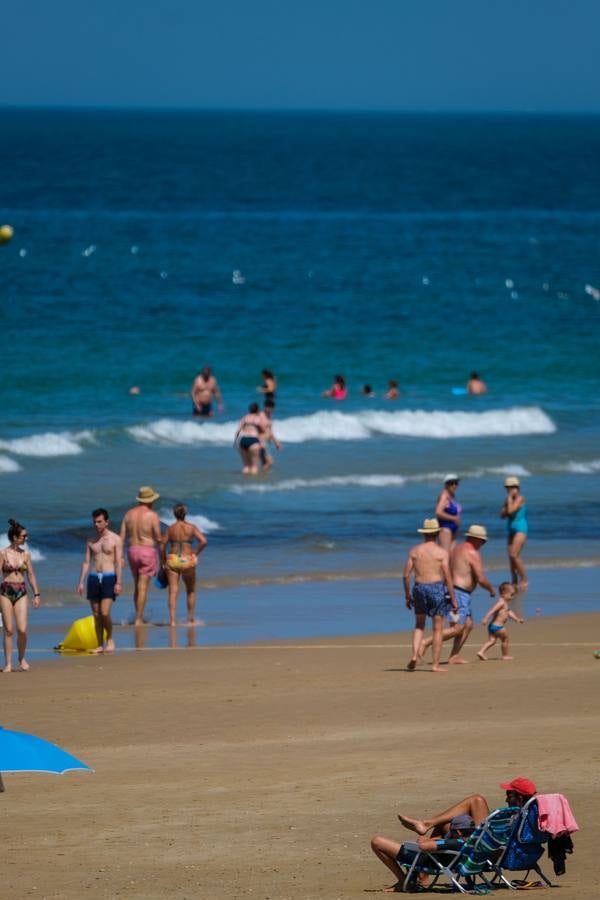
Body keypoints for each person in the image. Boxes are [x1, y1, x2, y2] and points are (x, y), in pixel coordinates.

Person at [418, 524, 495, 665]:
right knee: (457, 628)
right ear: (475, 539)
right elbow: (481, 578)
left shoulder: (456, 548)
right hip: (459, 594)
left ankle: (454, 656)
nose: (483, 544)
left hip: (453, 591)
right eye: (482, 541)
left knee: (469, 624)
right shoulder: (472, 552)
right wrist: (491, 589)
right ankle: (426, 642)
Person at [397, 777, 537, 839]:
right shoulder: (530, 814)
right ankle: (423, 875)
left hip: (489, 848)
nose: (506, 798)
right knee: (445, 823)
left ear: (519, 798)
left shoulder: (520, 815)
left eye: (509, 794)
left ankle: (426, 823)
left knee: (477, 800)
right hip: (498, 846)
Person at [403, 518, 457, 673]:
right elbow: (447, 577)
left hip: (419, 588)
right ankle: (435, 665)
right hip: (436, 588)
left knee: (419, 625)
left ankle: (414, 655)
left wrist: (407, 596)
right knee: (438, 629)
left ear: (424, 534)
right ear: (438, 533)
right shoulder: (441, 553)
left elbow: (406, 575)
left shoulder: (415, 551)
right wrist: (453, 599)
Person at [371, 814, 475, 892]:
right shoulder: (471, 843)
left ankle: (403, 881)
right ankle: (409, 879)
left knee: (377, 842)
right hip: (441, 860)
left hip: (422, 859)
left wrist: (424, 840)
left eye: (451, 831)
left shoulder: (454, 842)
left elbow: (423, 846)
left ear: (458, 832)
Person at [77, 508, 123, 653]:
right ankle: (99, 644)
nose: (96, 524)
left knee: (104, 613)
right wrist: (81, 582)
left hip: (109, 577)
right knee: (96, 615)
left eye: (99, 521)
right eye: (94, 522)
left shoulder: (116, 539)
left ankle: (109, 639)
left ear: (106, 522)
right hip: (93, 577)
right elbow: (86, 562)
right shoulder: (91, 540)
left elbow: (118, 562)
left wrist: (119, 582)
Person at [0, 518, 41, 672]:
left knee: (22, 629)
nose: (26, 538)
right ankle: (8, 663)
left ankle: (21, 658)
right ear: (15, 537)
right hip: (5, 592)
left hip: (21, 592)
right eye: (24, 536)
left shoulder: (26, 555)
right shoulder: (2, 553)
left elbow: (31, 575)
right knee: (9, 630)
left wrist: (36, 594)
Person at [119, 486, 162, 625]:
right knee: (143, 586)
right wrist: (163, 557)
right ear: (150, 500)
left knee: (137, 585)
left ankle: (138, 615)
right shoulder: (153, 515)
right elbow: (158, 538)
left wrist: (120, 556)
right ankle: (138, 619)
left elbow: (121, 537)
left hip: (132, 551)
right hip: (147, 551)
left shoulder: (128, 514)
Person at [160, 503, 207, 627]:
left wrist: (163, 561)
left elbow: (162, 545)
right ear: (185, 514)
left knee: (173, 592)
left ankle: (172, 621)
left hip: (173, 559)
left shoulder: (170, 529)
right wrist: (195, 553)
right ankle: (190, 619)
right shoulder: (191, 527)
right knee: (190, 590)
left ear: (174, 514)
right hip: (187, 560)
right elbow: (203, 541)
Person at [477, 582, 524, 661]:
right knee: (505, 639)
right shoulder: (501, 602)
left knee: (492, 641)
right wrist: (485, 618)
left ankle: (481, 652)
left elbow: (509, 612)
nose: (512, 597)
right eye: (511, 595)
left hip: (492, 626)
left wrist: (516, 619)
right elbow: (492, 610)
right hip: (498, 627)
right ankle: (505, 655)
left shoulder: (504, 603)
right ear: (503, 593)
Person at [500, 476, 529, 591]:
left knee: (514, 554)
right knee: (510, 557)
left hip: (521, 528)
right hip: (511, 529)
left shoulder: (520, 499)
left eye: (512, 488)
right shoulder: (508, 500)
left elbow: (511, 511)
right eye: (507, 488)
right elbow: (502, 515)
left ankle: (524, 579)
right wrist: (506, 506)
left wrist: (508, 502)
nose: (509, 490)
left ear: (517, 488)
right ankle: (514, 580)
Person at [234, 402, 266, 475]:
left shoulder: (244, 418)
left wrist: (236, 442)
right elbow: (263, 431)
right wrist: (262, 442)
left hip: (243, 440)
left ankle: (245, 484)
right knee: (254, 467)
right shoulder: (258, 418)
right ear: (257, 410)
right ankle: (253, 485)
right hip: (253, 440)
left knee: (246, 467)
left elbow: (237, 431)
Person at [435, 474, 462, 551]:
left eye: (456, 483)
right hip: (445, 528)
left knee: (452, 554)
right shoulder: (444, 496)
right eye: (451, 483)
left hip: (453, 528)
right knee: (445, 554)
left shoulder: (452, 495)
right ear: (446, 484)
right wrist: (454, 518)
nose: (454, 485)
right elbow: (438, 512)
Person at [258, 399, 282, 471]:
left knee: (265, 463)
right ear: (265, 407)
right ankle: (259, 476)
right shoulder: (260, 415)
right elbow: (255, 429)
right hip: (261, 442)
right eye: (268, 407)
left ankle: (261, 479)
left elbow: (270, 431)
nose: (270, 409)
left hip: (267, 442)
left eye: (271, 408)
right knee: (270, 462)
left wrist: (276, 443)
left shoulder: (270, 417)